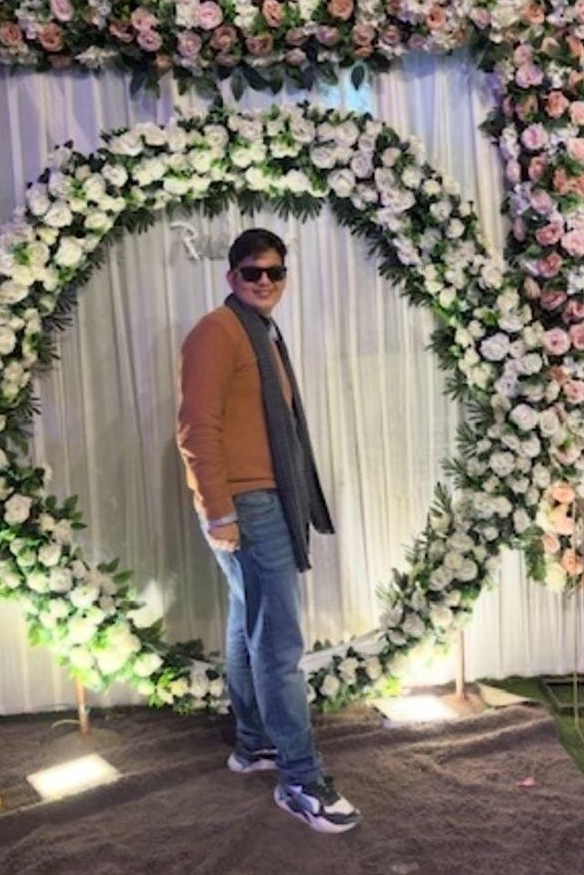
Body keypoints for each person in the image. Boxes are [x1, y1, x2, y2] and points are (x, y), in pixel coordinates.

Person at [176, 228, 361, 834]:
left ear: (284, 277)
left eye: (274, 272)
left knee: (247, 619)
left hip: (262, 497)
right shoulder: (217, 331)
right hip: (246, 503)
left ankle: (255, 742)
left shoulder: (260, 333)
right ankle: (301, 780)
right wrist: (218, 512)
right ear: (231, 276)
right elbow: (196, 427)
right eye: (252, 272)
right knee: (279, 641)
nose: (264, 281)